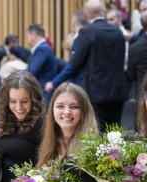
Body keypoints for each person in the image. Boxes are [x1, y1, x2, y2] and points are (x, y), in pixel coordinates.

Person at [38, 82, 111, 182]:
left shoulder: (98, 143)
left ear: (84, 111)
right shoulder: (50, 143)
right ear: (52, 110)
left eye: (74, 106)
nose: (66, 112)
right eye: (60, 106)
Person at [70, 0, 128, 132]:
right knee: (114, 133)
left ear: (86, 14)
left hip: (95, 90)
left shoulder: (86, 32)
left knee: (97, 131)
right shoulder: (117, 31)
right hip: (118, 89)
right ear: (103, 12)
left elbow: (76, 62)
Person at [45, 11, 87, 92]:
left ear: (73, 23)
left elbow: (72, 66)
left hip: (80, 86)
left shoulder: (79, 39)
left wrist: (53, 83)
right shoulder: (89, 38)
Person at [26, 23, 57, 105]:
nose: (27, 39)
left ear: (34, 35)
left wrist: (16, 73)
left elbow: (32, 70)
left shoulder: (42, 48)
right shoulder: (44, 47)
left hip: (44, 92)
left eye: (27, 36)